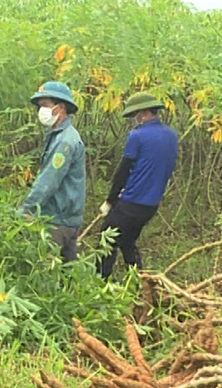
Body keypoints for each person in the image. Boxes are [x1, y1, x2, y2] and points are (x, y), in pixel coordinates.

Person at [98, 92, 178, 278]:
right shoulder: (171, 135)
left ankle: (98, 285)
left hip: (132, 201)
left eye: (135, 115)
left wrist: (110, 201)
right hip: (151, 204)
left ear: (142, 113)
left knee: (106, 239)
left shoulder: (137, 136)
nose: (134, 120)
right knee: (127, 241)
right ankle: (139, 284)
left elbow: (123, 171)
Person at [16, 81, 86, 262]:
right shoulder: (58, 136)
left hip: (57, 220)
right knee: (67, 276)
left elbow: (48, 181)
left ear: (60, 107)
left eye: (45, 105)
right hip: (66, 219)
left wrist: (26, 210)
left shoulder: (65, 141)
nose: (42, 111)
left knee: (44, 271)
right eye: (40, 107)